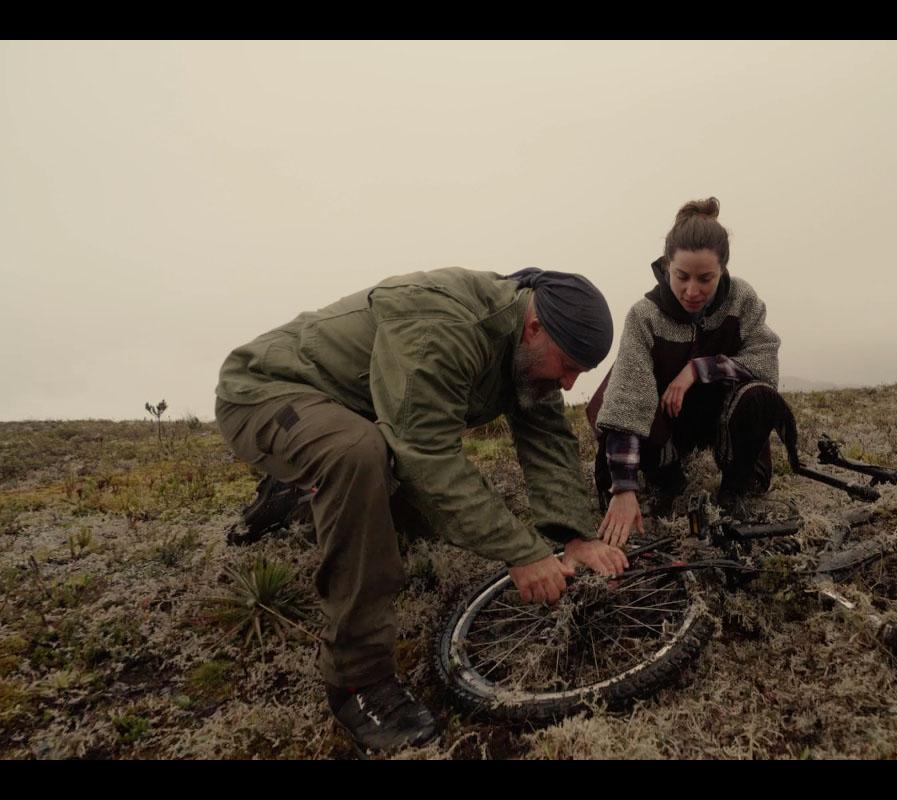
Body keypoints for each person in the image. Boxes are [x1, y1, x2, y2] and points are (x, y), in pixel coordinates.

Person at [214, 266, 629, 753]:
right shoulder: (446, 326)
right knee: (356, 455)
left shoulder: (528, 342)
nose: (568, 381)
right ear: (535, 327)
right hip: (265, 391)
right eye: (567, 365)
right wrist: (523, 552)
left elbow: (547, 439)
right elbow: (424, 452)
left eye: (580, 372)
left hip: (356, 408)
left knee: (415, 521)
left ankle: (294, 497)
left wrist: (574, 536)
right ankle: (357, 681)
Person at [587, 198, 793, 548]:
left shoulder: (742, 299)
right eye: (682, 277)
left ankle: (735, 485)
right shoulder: (644, 316)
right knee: (626, 401)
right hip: (667, 420)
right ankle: (663, 473)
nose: (692, 291)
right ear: (667, 266)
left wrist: (700, 368)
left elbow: (765, 365)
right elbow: (625, 401)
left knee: (758, 394)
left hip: (717, 408)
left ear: (723, 270)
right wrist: (623, 487)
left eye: (706, 279)